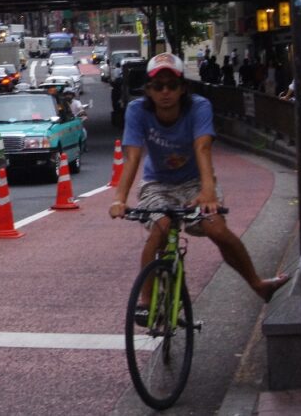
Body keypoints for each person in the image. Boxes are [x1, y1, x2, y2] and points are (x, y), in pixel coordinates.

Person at [108, 53, 290, 312]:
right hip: (157, 183)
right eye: (158, 86)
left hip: (196, 181)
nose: (165, 92)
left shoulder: (199, 106)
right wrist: (119, 199)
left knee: (217, 229)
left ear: (183, 88)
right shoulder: (137, 111)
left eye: (172, 85)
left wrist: (208, 192)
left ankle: (257, 283)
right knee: (160, 227)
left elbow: (203, 147)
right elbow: (133, 156)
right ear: (148, 90)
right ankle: (146, 302)